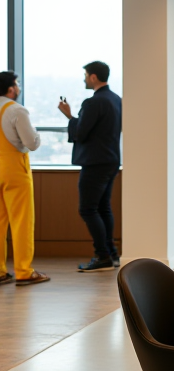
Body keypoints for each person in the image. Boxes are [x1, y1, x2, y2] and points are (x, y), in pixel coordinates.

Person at [57, 61, 122, 273]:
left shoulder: (93, 102)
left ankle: (102, 255)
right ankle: (111, 253)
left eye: (86, 75)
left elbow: (80, 133)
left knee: (87, 208)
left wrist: (69, 115)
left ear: (93, 77)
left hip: (95, 162)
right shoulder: (116, 100)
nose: (84, 79)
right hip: (111, 159)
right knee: (103, 207)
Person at [0, 71, 47, 286]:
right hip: (14, 169)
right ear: (11, 89)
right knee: (21, 221)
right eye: (17, 84)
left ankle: (0, 271)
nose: (18, 88)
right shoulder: (16, 110)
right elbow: (31, 143)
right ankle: (23, 271)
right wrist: (37, 135)